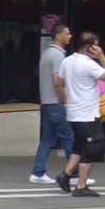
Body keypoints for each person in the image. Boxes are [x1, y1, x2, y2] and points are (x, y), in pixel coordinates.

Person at [55, 32, 105, 198]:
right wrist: (102, 57)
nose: (99, 49)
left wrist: (66, 100)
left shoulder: (67, 60)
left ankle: (65, 175)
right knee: (91, 149)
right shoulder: (89, 64)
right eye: (97, 46)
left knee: (79, 147)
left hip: (74, 112)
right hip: (87, 114)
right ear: (91, 47)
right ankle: (81, 186)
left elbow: (59, 83)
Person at [29, 23, 75, 184]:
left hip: (47, 102)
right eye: (67, 33)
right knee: (69, 137)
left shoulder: (47, 53)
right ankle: (74, 175)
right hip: (56, 103)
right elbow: (57, 82)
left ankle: (38, 172)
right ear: (58, 36)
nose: (70, 36)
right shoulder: (57, 55)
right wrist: (66, 100)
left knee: (48, 139)